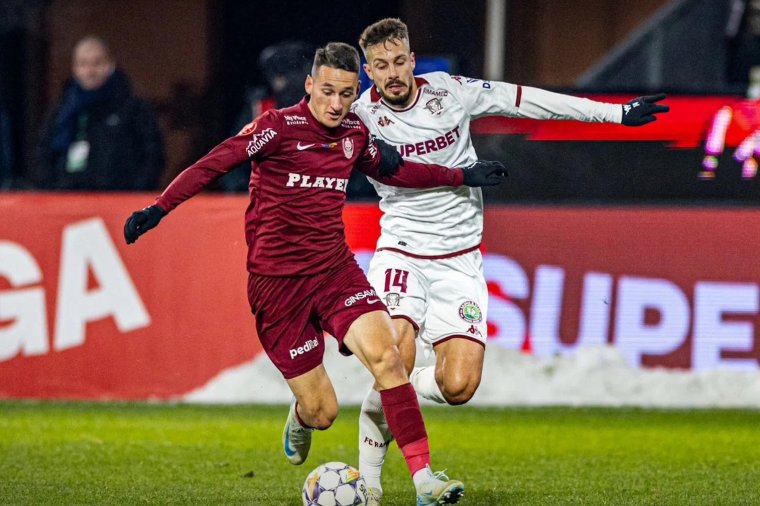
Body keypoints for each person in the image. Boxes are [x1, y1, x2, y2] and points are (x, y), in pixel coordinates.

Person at [123, 42, 506, 505]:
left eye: (346, 94)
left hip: (334, 272)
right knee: (323, 412)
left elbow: (398, 171)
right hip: (277, 287)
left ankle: (424, 480)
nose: (336, 104)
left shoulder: (354, 134)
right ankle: (302, 415)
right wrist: (158, 208)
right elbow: (214, 163)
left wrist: (462, 176)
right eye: (327, 92)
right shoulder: (276, 128)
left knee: (388, 358)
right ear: (309, 85)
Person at [352, 18, 670, 504]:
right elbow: (303, 135)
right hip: (402, 250)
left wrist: (616, 114)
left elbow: (528, 99)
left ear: (413, 60)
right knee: (396, 351)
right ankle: (369, 486)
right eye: (381, 66)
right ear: (368, 71)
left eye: (399, 62)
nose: (392, 73)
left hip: (459, 259)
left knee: (458, 386)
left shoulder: (451, 92)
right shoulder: (359, 117)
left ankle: (398, 386)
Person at [31, 35, 165, 191]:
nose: (90, 71)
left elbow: (153, 155)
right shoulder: (61, 112)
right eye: (83, 64)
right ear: (75, 69)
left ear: (110, 65)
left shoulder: (133, 109)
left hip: (119, 198)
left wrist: (136, 192)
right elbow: (43, 155)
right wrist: (52, 191)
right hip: (68, 199)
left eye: (97, 63)